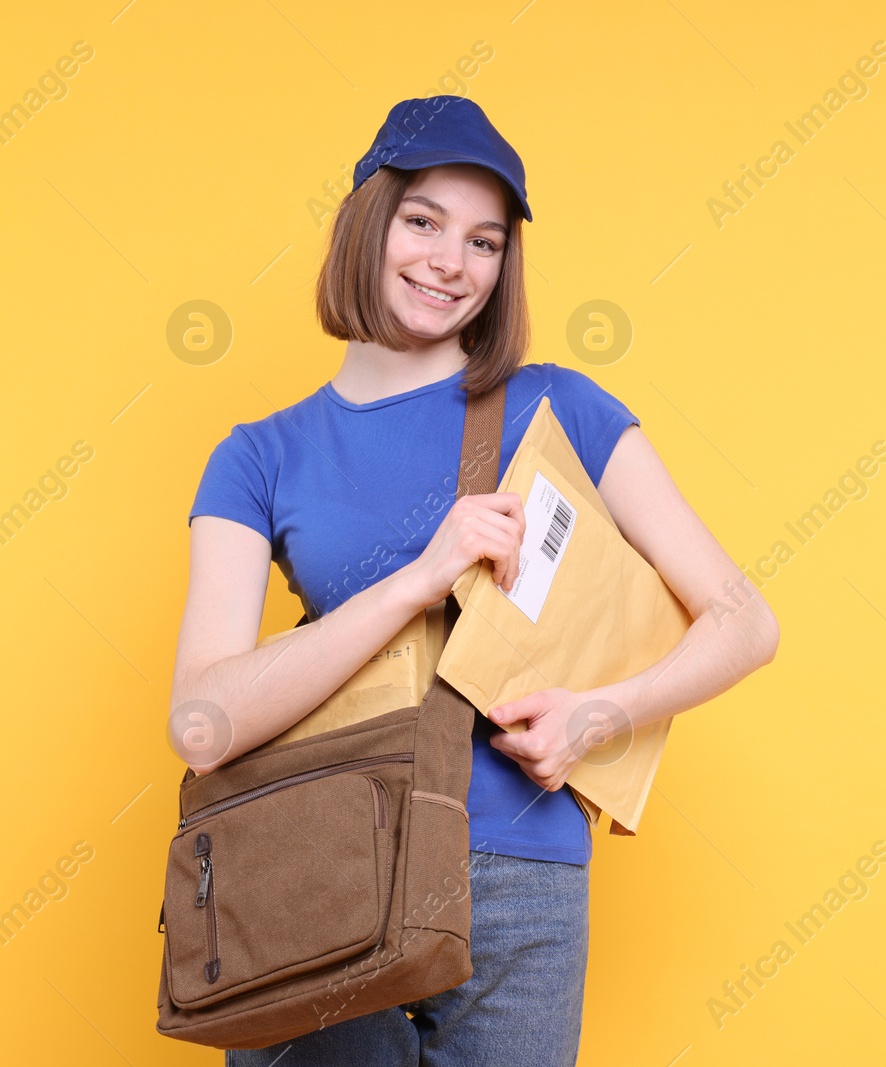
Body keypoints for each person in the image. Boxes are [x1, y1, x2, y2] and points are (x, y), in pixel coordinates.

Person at [173, 96, 779, 1067]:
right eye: (423, 222)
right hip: (322, 861)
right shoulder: (257, 457)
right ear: (368, 222)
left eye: (485, 242)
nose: (451, 263)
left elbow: (746, 621)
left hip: (519, 872)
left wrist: (602, 714)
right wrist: (419, 577)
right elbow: (200, 722)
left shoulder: (562, 407)